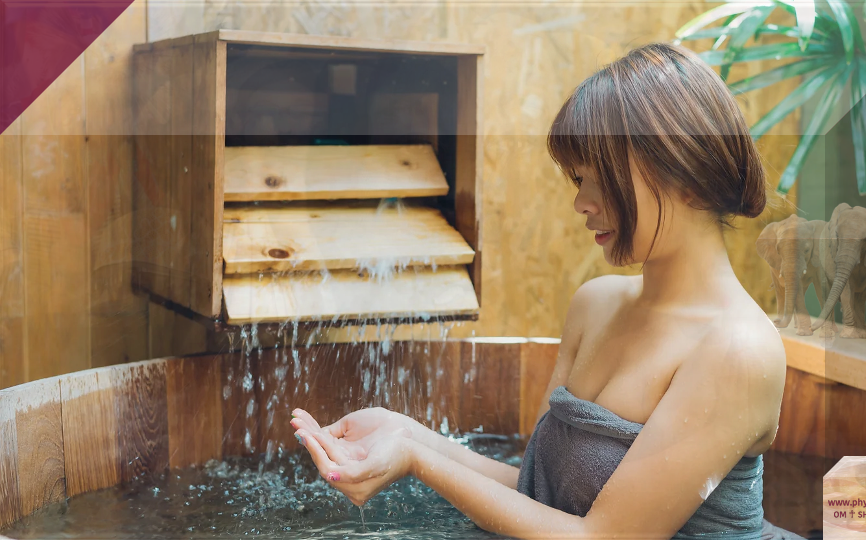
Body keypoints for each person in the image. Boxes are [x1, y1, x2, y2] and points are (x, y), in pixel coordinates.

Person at [290, 42, 805, 540]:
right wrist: (406, 434)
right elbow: (537, 501)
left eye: (601, 178)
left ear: (687, 175)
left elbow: (603, 537)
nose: (581, 202)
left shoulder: (738, 350)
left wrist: (417, 460)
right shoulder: (596, 305)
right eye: (578, 179)